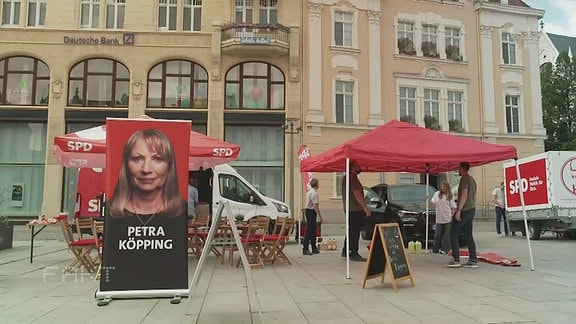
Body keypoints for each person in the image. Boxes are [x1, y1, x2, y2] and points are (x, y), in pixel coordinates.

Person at [108, 128, 187, 219]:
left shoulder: (183, 210)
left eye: (157, 159)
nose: (146, 169)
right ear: (126, 164)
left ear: (169, 165)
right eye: (137, 159)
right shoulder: (110, 210)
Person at [447, 162, 478, 268]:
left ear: (462, 169)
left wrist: (459, 210)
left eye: (458, 169)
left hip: (464, 210)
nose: (457, 171)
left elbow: (464, 194)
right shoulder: (472, 180)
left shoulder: (464, 179)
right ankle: (473, 259)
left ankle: (456, 259)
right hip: (471, 209)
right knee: (468, 235)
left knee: (453, 233)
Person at [341, 161, 371, 262]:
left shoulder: (347, 177)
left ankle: (346, 250)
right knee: (355, 231)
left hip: (349, 208)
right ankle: (353, 252)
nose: (360, 167)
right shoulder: (352, 178)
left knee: (350, 230)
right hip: (354, 209)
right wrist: (365, 208)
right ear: (353, 167)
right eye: (358, 165)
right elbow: (357, 194)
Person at [430, 181, 456, 254]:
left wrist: (452, 216)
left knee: (446, 236)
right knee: (437, 235)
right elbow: (433, 203)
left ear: (447, 187)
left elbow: (453, 207)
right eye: (441, 187)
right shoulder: (437, 194)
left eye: (444, 187)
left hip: (447, 217)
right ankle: (435, 249)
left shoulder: (450, 196)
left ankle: (445, 249)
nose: (442, 188)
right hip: (439, 218)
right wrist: (428, 200)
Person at [303, 178, 323, 255]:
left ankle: (313, 247)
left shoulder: (308, 192)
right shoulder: (314, 193)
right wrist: (320, 216)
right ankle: (305, 248)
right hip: (311, 212)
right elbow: (316, 206)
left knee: (313, 230)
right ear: (317, 185)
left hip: (308, 211)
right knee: (310, 230)